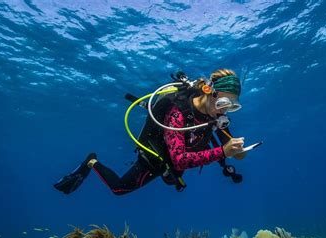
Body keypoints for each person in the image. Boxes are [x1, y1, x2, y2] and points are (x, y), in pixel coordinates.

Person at [54, 68, 252, 196]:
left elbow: (230, 145)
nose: (225, 110)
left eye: (232, 106)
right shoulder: (178, 112)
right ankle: (91, 161)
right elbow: (180, 160)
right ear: (209, 92)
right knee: (119, 188)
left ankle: (169, 176)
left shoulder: (215, 114)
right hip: (155, 154)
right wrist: (224, 152)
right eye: (223, 103)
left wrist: (238, 151)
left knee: (170, 179)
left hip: (176, 159)